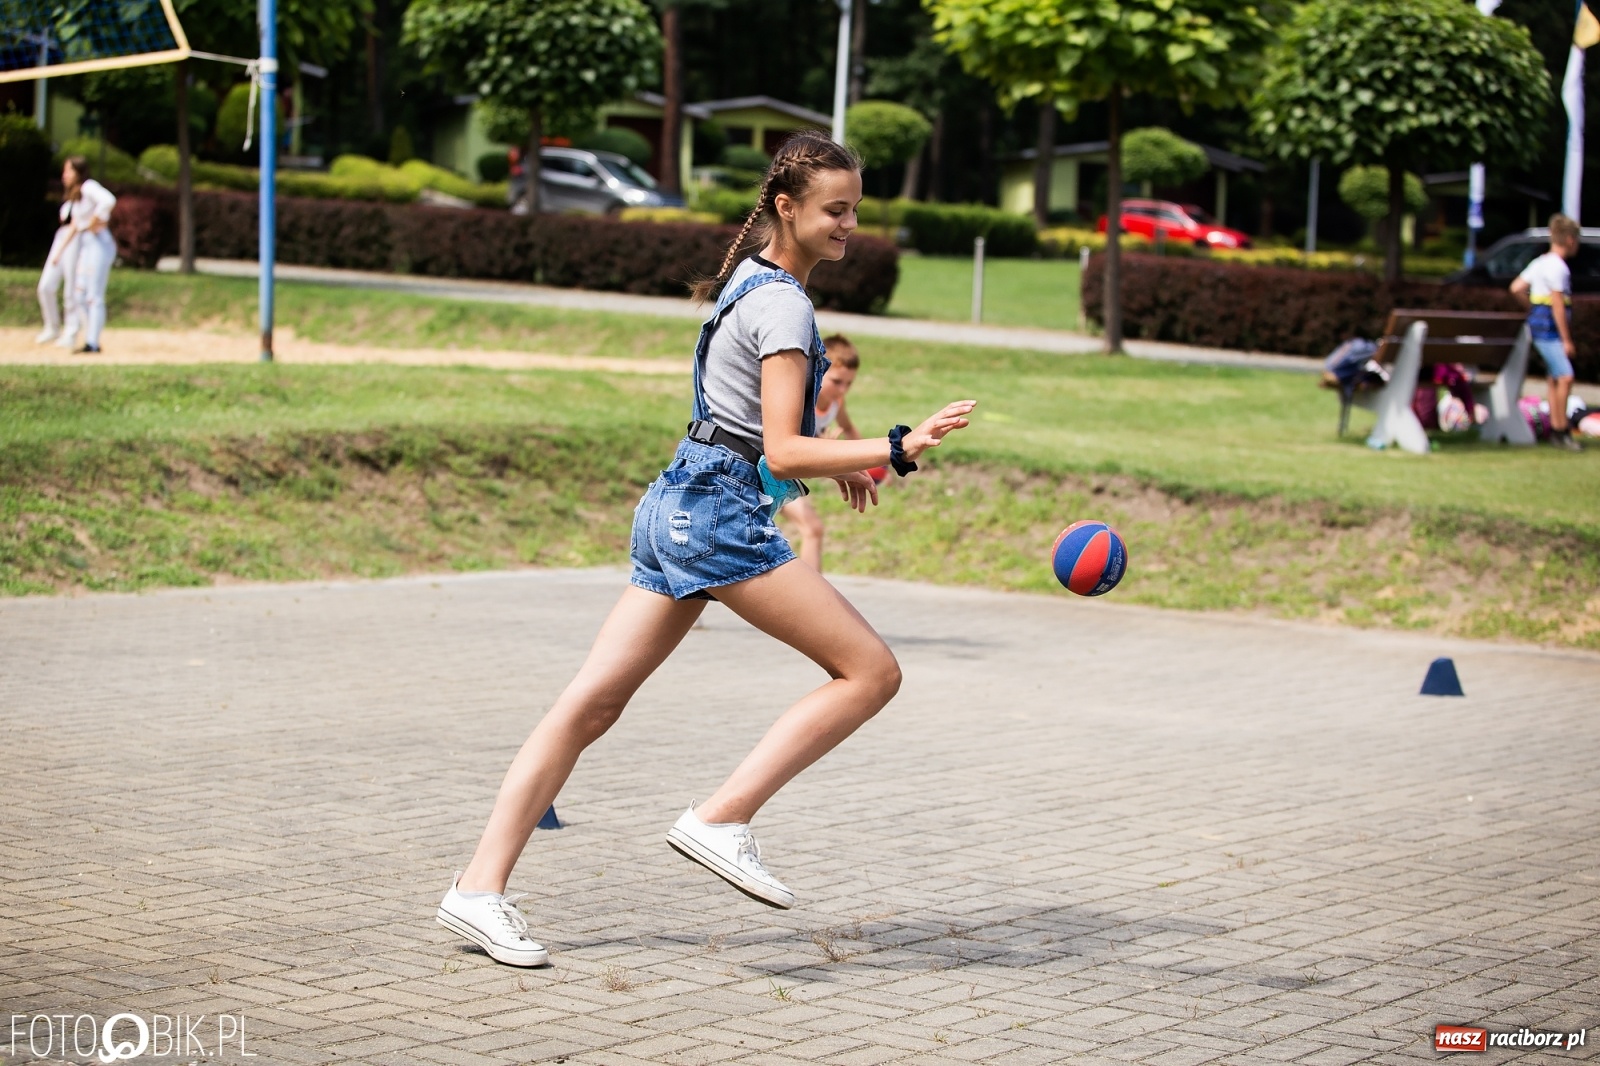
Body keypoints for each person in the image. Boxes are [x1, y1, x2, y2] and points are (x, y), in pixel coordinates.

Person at [434, 130, 977, 968]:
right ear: (788, 208)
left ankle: (476, 890)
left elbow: (756, 435)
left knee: (588, 707)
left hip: (676, 502)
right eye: (836, 211)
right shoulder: (787, 303)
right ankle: (720, 817)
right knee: (871, 673)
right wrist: (896, 447)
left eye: (855, 210)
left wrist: (840, 463)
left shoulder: (751, 282)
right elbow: (781, 452)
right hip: (717, 518)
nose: (849, 226)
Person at [780, 333, 864, 571]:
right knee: (812, 528)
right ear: (820, 370)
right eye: (837, 381)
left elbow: (848, 427)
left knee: (812, 529)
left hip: (787, 478)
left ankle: (806, 597)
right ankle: (808, 599)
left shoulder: (837, 403)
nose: (843, 390)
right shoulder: (805, 400)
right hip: (767, 475)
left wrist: (869, 463)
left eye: (849, 383)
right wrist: (825, 447)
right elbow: (794, 449)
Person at [1511, 214, 1582, 452]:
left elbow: (1516, 288)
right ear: (1570, 240)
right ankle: (1561, 432)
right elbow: (1558, 305)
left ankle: (1555, 427)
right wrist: (1566, 339)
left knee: (1554, 379)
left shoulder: (1540, 262)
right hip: (1549, 331)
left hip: (1538, 327)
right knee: (1565, 377)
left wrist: (1531, 309)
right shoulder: (1559, 268)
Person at [35, 198, 80, 346]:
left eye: (68, 173)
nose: (64, 176)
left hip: (74, 241)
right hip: (61, 237)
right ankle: (52, 327)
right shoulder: (69, 201)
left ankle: (71, 331)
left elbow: (76, 224)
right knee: (45, 286)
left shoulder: (84, 197)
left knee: (70, 290)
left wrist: (61, 250)